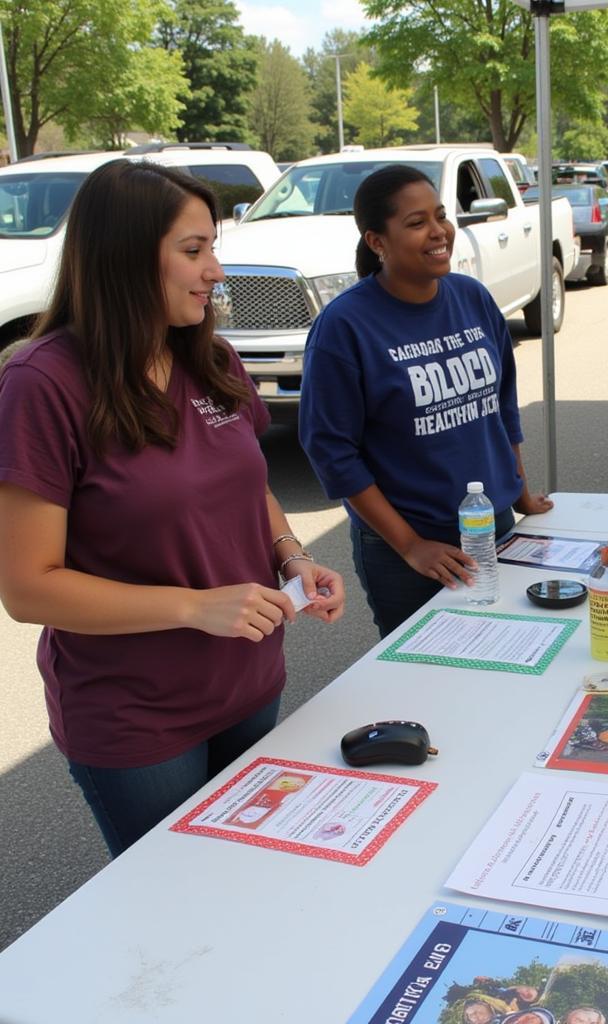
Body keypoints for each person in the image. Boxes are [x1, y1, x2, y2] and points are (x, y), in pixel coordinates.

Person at [0, 161, 345, 858]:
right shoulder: (43, 384)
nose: (216, 270)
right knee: (179, 906)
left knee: (256, 873)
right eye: (194, 251)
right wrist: (193, 606)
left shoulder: (210, 356)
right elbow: (27, 587)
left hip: (250, 683)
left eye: (213, 247)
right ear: (125, 258)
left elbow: (252, 487)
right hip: (138, 719)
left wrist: (292, 555)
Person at [299, 165, 552, 637]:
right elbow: (331, 450)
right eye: (416, 224)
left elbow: (502, 403)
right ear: (377, 241)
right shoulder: (345, 326)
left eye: (440, 216)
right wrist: (412, 545)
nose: (438, 232)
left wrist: (517, 490)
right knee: (427, 681)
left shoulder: (472, 298)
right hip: (407, 550)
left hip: (494, 523)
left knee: (508, 654)